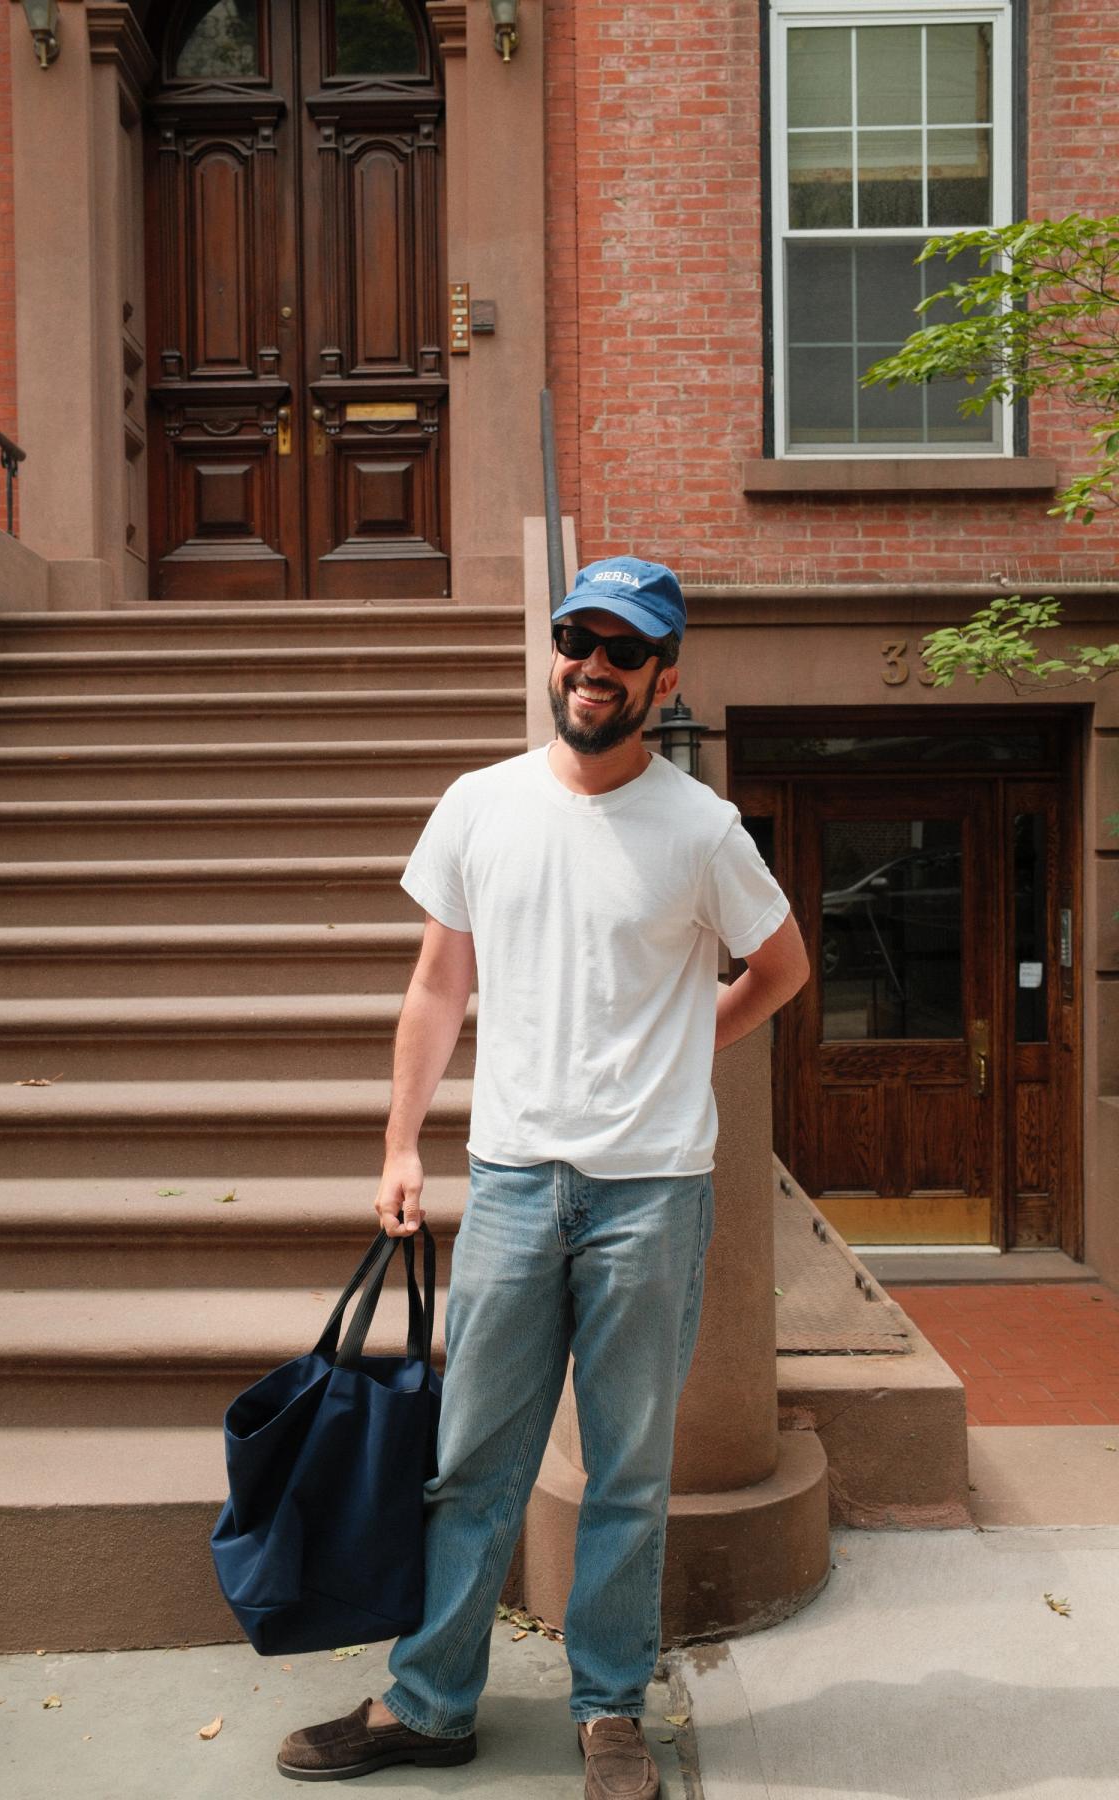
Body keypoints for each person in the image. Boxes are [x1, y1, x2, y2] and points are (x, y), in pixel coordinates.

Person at [277, 557, 809, 1796]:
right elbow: (437, 985)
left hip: (651, 1195)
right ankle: (430, 1703)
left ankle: (610, 1711)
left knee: (627, 1473)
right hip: (514, 1182)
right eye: (578, 638)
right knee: (473, 1462)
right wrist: (400, 1142)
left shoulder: (702, 829)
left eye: (624, 650)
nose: (592, 666)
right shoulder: (481, 805)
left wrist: (685, 1045)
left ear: (662, 678)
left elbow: (780, 968)